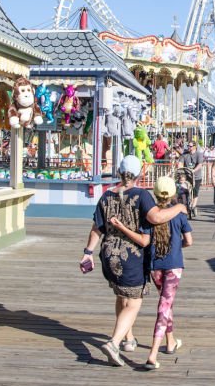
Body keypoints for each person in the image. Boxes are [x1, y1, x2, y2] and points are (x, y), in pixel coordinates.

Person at [80, 155, 187, 367]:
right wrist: (179, 208)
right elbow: (156, 218)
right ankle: (114, 343)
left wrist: (88, 252)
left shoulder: (106, 196)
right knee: (134, 301)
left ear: (119, 172)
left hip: (109, 254)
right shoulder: (141, 195)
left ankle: (128, 340)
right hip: (132, 255)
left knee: (121, 295)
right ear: (139, 174)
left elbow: (96, 228)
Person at [109, 176, 191, 371]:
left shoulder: (148, 216)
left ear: (155, 193)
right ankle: (153, 354)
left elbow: (144, 240)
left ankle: (170, 342)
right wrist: (178, 246)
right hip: (173, 266)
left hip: (155, 267)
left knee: (166, 302)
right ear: (173, 194)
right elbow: (189, 240)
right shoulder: (179, 215)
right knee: (164, 305)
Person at [179, 143, 205, 218]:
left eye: (190, 146)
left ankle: (193, 206)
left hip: (196, 176)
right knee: (184, 190)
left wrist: (194, 170)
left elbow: (200, 164)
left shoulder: (199, 154)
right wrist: (180, 168)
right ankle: (185, 205)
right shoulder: (185, 154)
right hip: (186, 176)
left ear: (194, 147)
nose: (189, 147)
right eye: (188, 146)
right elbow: (180, 163)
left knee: (195, 192)